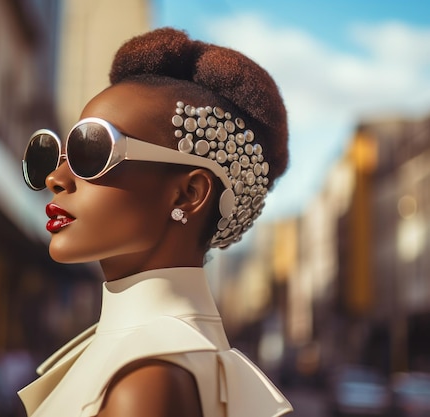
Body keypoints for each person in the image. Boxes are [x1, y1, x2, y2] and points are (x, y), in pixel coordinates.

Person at [18, 27, 293, 417]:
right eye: (59, 155)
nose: (56, 179)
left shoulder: (145, 380)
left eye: (90, 149)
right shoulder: (152, 360)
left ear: (188, 194)